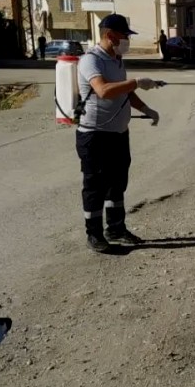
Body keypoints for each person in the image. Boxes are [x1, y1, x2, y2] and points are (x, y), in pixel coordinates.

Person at [75, 13, 162, 253]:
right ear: (109, 35)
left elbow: (124, 92)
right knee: (94, 184)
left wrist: (146, 108)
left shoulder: (117, 59)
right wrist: (135, 82)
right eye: (124, 36)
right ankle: (94, 234)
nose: (127, 40)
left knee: (117, 182)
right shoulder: (91, 60)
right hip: (95, 135)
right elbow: (103, 90)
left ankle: (116, 228)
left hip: (118, 134)